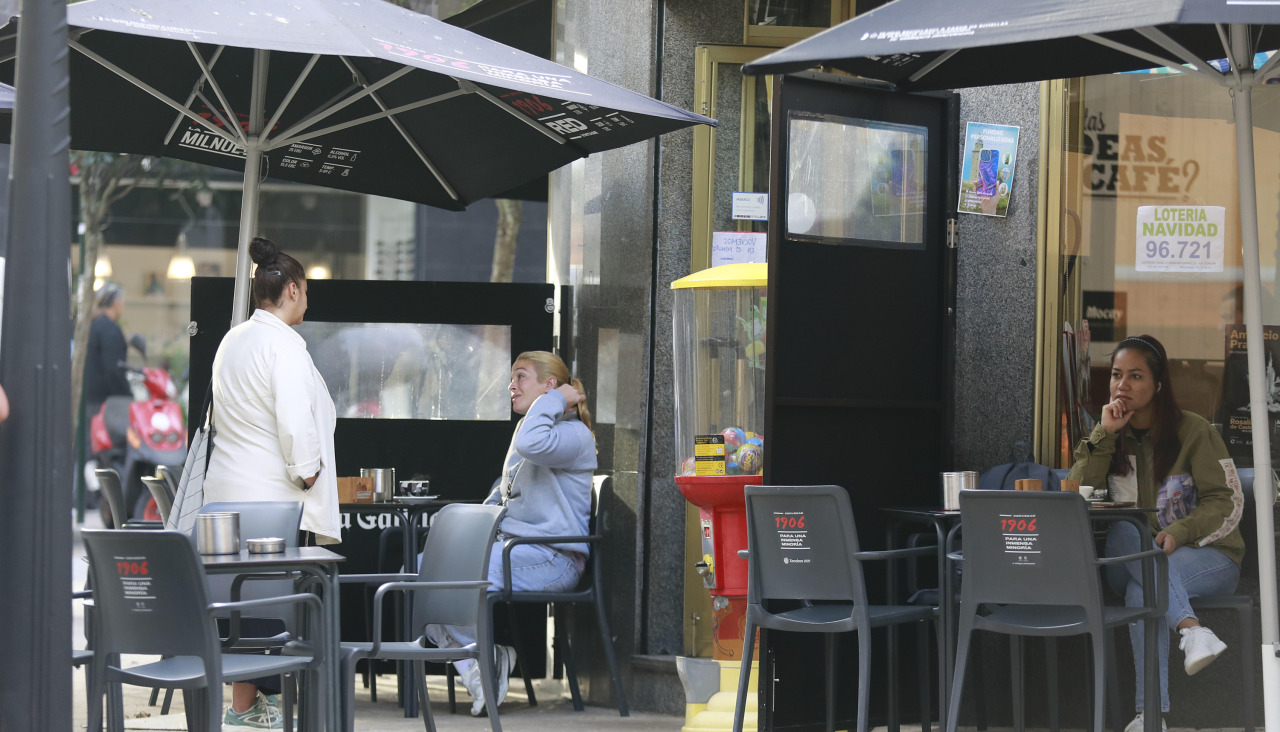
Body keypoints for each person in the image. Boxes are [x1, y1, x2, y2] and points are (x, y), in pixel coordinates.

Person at [1067, 334, 1244, 732]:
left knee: (1140, 590)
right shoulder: (1106, 436)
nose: (1122, 385)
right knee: (1126, 533)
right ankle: (1193, 631)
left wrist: (1180, 531)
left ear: (1159, 385)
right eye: (1115, 375)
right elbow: (1075, 494)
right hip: (1128, 554)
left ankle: (1150, 718)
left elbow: (1226, 500)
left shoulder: (1194, 431)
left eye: (1135, 376)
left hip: (1206, 554)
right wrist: (1105, 434)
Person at [202, 236, 340, 729]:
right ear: (295, 290)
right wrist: (308, 469)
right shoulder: (283, 346)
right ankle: (257, 708)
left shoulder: (233, 339)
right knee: (270, 606)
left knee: (240, 602)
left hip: (225, 494)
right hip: (271, 498)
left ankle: (246, 705)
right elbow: (294, 419)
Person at [426, 350, 596, 716]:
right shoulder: (530, 429)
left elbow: (532, 445)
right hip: (517, 550)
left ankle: (483, 667)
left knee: (460, 579)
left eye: (521, 377)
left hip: (554, 558)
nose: (510, 385)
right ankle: (482, 664)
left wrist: (555, 401)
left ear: (550, 386)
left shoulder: (572, 434)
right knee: (427, 568)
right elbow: (503, 489)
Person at [84, 283, 131, 418]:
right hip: (105, 403)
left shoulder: (92, 325)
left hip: (89, 398)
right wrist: (126, 396)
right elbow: (114, 368)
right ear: (116, 302)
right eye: (122, 301)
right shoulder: (110, 330)